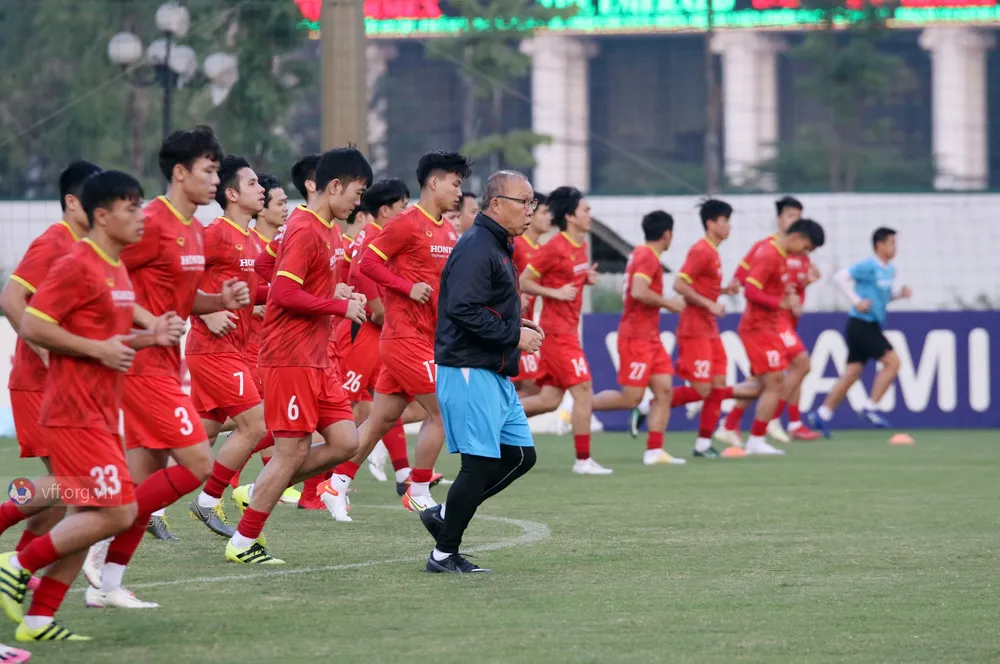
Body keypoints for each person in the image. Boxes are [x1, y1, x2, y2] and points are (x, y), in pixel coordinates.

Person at [0, 170, 185, 640]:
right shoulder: (72, 259)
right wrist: (91, 351)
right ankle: (17, 564)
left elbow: (108, 337)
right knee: (106, 508)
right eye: (131, 208)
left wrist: (149, 337)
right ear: (97, 213)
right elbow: (32, 320)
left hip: (100, 408)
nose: (141, 217)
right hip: (68, 406)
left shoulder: (115, 266)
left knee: (78, 505)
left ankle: (39, 616)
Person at [93, 127, 251, 603]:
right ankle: (93, 531)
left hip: (167, 363)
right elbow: (104, 273)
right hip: (139, 364)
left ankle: (108, 585)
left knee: (144, 481)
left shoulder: (194, 232)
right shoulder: (151, 222)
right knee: (200, 462)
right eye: (208, 170)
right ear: (180, 173)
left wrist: (218, 298)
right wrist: (144, 322)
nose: (215, 179)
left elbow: (183, 300)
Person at [224, 147, 370, 564]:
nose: (359, 203)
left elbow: (264, 268)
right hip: (290, 357)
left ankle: (260, 489)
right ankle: (243, 542)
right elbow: (284, 293)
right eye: (357, 193)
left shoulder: (327, 230)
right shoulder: (305, 229)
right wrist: (337, 304)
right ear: (335, 186)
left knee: (346, 441)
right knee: (290, 454)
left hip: (317, 357)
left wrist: (329, 293)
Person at [421, 170, 541, 573]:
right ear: (496, 204)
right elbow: (463, 309)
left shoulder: (497, 244)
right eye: (523, 202)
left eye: (532, 202)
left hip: (491, 368)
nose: (530, 210)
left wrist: (516, 327)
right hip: (469, 368)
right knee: (479, 465)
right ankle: (443, 553)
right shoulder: (477, 246)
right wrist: (513, 335)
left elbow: (482, 305)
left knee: (521, 456)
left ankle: (444, 515)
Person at [338, 151, 470, 516]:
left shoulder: (447, 229)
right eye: (455, 183)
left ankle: (337, 482)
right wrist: (405, 287)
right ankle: (418, 486)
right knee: (445, 410)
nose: (459, 191)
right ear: (433, 182)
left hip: (429, 336)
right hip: (403, 337)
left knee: (379, 420)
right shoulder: (406, 222)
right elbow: (368, 262)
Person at [0, 161, 102, 565]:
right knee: (77, 482)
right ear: (72, 201)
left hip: (66, 386)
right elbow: (10, 299)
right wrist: (44, 350)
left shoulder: (88, 248)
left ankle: (21, 569)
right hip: (39, 384)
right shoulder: (54, 242)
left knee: (64, 494)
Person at [185, 156, 271, 537]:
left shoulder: (252, 239)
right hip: (211, 349)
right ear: (232, 193)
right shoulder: (214, 233)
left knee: (196, 435)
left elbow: (254, 293)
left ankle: (143, 500)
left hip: (234, 349)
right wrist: (202, 314)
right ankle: (207, 502)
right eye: (253, 184)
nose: (262, 189)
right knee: (255, 425)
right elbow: (176, 279)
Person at [518, 186, 609, 475]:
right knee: (583, 391)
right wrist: (554, 293)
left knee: (549, 400)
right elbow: (523, 281)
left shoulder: (580, 245)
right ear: (570, 216)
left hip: (569, 330)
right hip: (557, 334)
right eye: (585, 210)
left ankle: (493, 420)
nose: (589, 215)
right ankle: (583, 460)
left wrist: (586, 279)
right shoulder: (554, 247)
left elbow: (572, 278)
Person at [717, 196, 822, 445]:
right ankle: (775, 418)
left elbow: (788, 286)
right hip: (768, 322)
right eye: (790, 215)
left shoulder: (797, 255)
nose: (794, 220)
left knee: (766, 380)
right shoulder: (767, 249)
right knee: (799, 363)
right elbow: (749, 279)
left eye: (798, 215)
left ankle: (730, 422)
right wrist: (735, 283)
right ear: (780, 219)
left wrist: (803, 287)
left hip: (778, 320)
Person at [591, 211, 687, 465]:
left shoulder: (643, 254)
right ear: (667, 234)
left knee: (664, 390)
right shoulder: (647, 256)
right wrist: (669, 303)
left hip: (650, 337)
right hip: (635, 336)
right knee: (631, 398)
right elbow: (638, 291)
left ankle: (654, 450)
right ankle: (580, 407)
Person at [807, 227, 911, 435]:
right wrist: (856, 301)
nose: (895, 248)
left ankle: (822, 414)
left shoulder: (889, 270)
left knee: (852, 373)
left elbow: (884, 296)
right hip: (862, 324)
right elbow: (839, 278)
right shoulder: (868, 266)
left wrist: (899, 295)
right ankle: (869, 407)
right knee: (893, 362)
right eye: (891, 243)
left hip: (870, 324)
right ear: (880, 245)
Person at [737, 219, 825, 456]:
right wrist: (780, 303)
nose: (804, 255)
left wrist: (794, 292)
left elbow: (775, 287)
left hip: (769, 327)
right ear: (797, 237)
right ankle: (755, 438)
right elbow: (750, 290)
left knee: (767, 383)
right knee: (774, 383)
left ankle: (726, 410)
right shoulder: (769, 254)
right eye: (806, 248)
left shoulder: (781, 256)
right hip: (757, 328)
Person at [671, 199, 741, 458]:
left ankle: (702, 444)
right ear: (711, 224)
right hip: (694, 328)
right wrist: (711, 304)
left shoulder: (713, 252)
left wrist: (723, 291)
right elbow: (679, 284)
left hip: (709, 328)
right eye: (725, 221)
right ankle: (650, 404)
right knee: (702, 388)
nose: (728, 227)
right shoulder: (701, 250)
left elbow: (700, 287)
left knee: (719, 385)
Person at [510, 192, 551, 398]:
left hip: (528, 324)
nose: (549, 217)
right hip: (512, 326)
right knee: (532, 385)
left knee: (521, 387)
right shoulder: (517, 244)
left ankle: (497, 426)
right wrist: (516, 295)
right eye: (544, 212)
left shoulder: (542, 250)